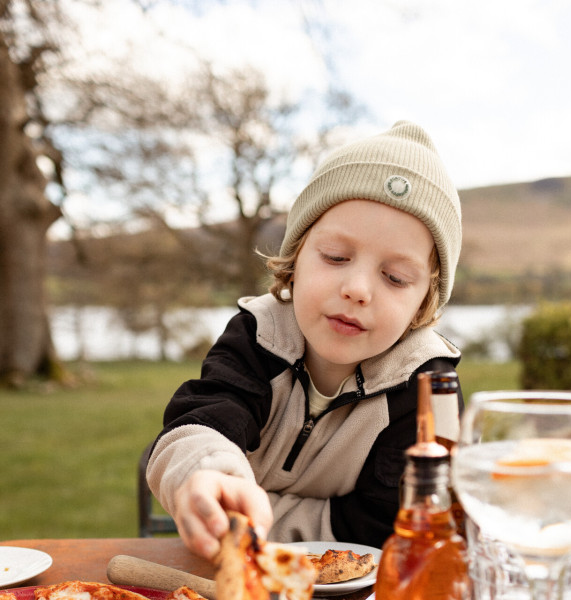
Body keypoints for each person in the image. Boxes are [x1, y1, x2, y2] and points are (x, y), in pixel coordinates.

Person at [147, 120, 463, 559]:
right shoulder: (258, 333)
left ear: (423, 304)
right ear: (296, 257)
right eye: (336, 257)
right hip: (219, 578)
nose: (358, 289)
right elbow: (200, 423)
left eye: (395, 277)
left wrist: (255, 523)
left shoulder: (429, 385)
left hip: (364, 599)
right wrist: (205, 477)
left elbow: (390, 524)